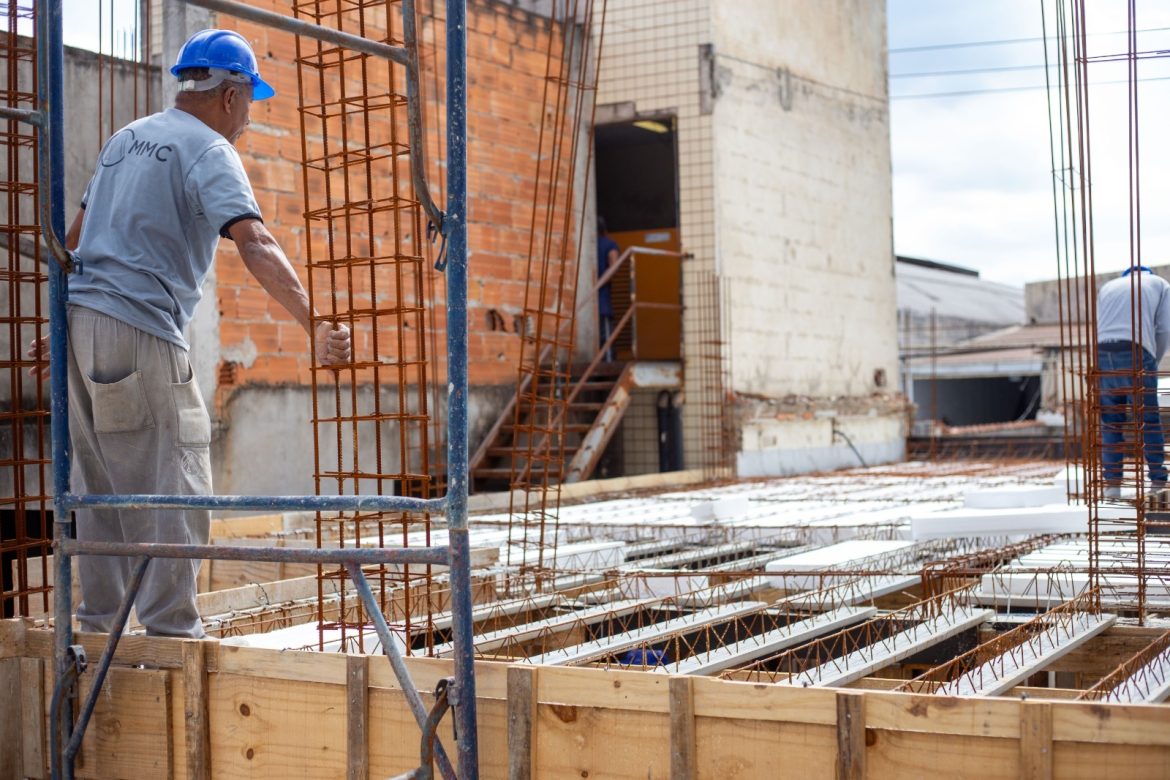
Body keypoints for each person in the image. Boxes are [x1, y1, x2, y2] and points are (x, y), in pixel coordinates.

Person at [27, 29, 352, 637]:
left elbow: (74, 236)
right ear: (230, 95)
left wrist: (60, 319)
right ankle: (173, 636)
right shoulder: (209, 150)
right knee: (173, 482)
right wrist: (314, 325)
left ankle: (97, 634)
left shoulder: (126, 138)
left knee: (99, 491)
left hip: (81, 327)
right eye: (250, 100)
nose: (249, 115)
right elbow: (255, 241)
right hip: (140, 331)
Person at [1096, 265, 1170, 499]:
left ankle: (1112, 487)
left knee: (1111, 421)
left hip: (1103, 352)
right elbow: (1165, 329)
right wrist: (1152, 361)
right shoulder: (1159, 284)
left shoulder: (1108, 287)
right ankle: (1158, 483)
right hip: (1136, 349)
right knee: (1147, 419)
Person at [597, 217, 619, 361]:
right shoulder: (610, 245)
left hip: (590, 301)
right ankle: (608, 364)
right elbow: (614, 266)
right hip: (602, 301)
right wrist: (599, 284)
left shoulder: (585, 245)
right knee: (606, 335)